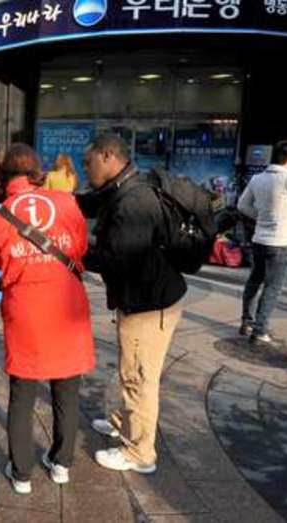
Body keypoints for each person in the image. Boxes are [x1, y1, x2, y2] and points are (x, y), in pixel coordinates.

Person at [0, 144, 95, 494]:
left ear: (3, 175)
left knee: (22, 392)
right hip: (66, 305)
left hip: (26, 309)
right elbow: (79, 248)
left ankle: (21, 474)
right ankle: (61, 463)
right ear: (37, 170)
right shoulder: (66, 202)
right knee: (67, 389)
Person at [78, 134, 186, 474]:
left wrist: (76, 248)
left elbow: (117, 259)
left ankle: (139, 452)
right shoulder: (127, 186)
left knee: (139, 377)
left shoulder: (133, 201)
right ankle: (121, 421)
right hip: (146, 298)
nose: (85, 169)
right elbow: (92, 203)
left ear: (108, 156)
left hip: (148, 305)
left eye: (87, 161)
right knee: (130, 369)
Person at [237, 140, 287, 344]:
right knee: (272, 288)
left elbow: (242, 205)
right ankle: (260, 331)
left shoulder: (257, 179)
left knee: (254, 281)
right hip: (281, 244)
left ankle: (246, 322)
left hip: (259, 240)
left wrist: (261, 218)